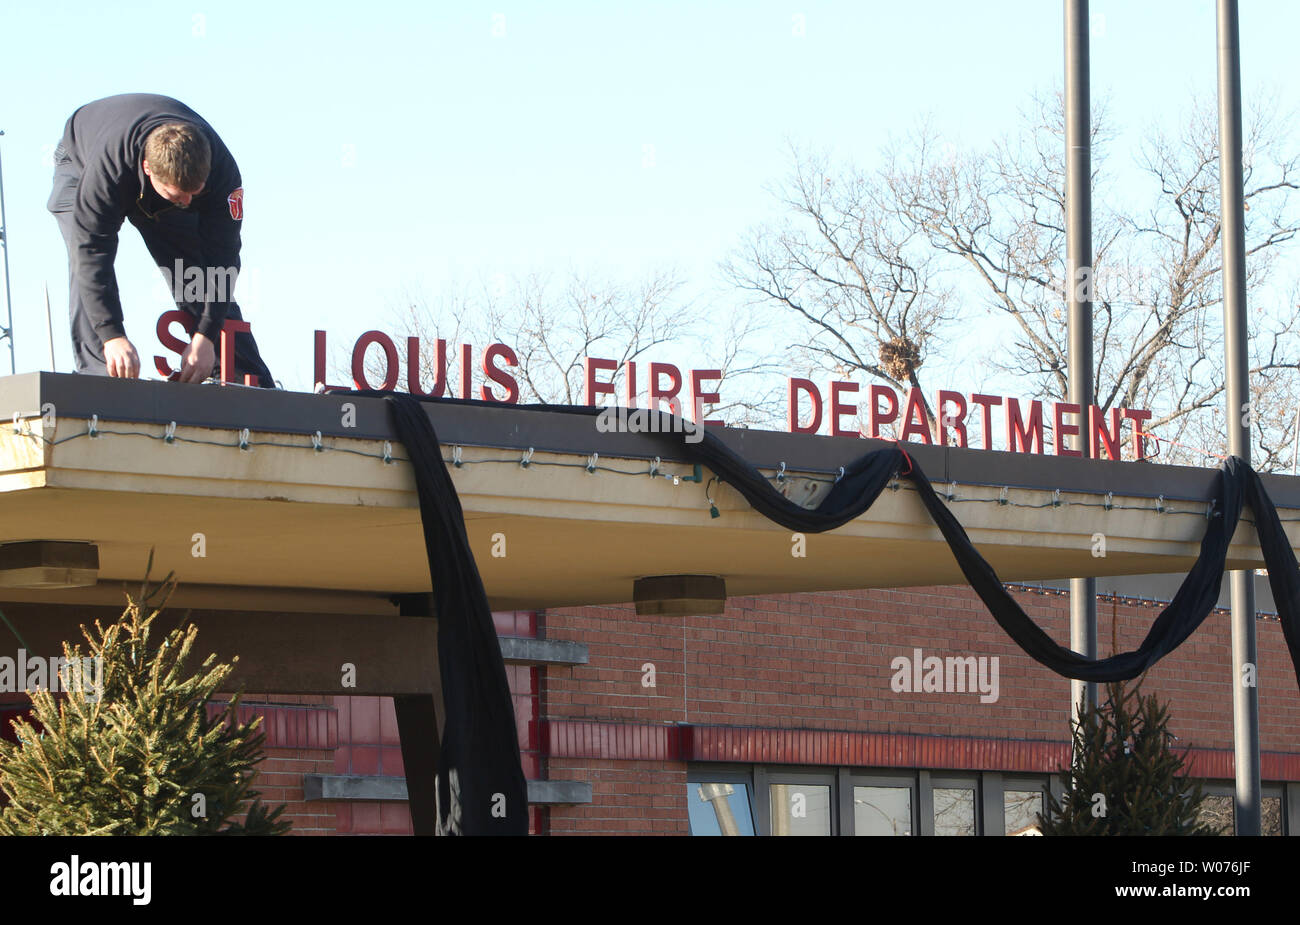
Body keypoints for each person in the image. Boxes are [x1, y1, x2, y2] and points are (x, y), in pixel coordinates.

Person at [48, 93, 275, 386]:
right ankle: (100, 371)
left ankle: (240, 370)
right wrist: (112, 334)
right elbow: (91, 253)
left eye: (194, 192)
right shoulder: (108, 172)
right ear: (147, 169)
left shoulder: (223, 174)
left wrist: (206, 335)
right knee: (82, 263)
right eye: (177, 194)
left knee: (191, 266)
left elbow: (223, 260)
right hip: (80, 160)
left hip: (153, 175)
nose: (186, 201)